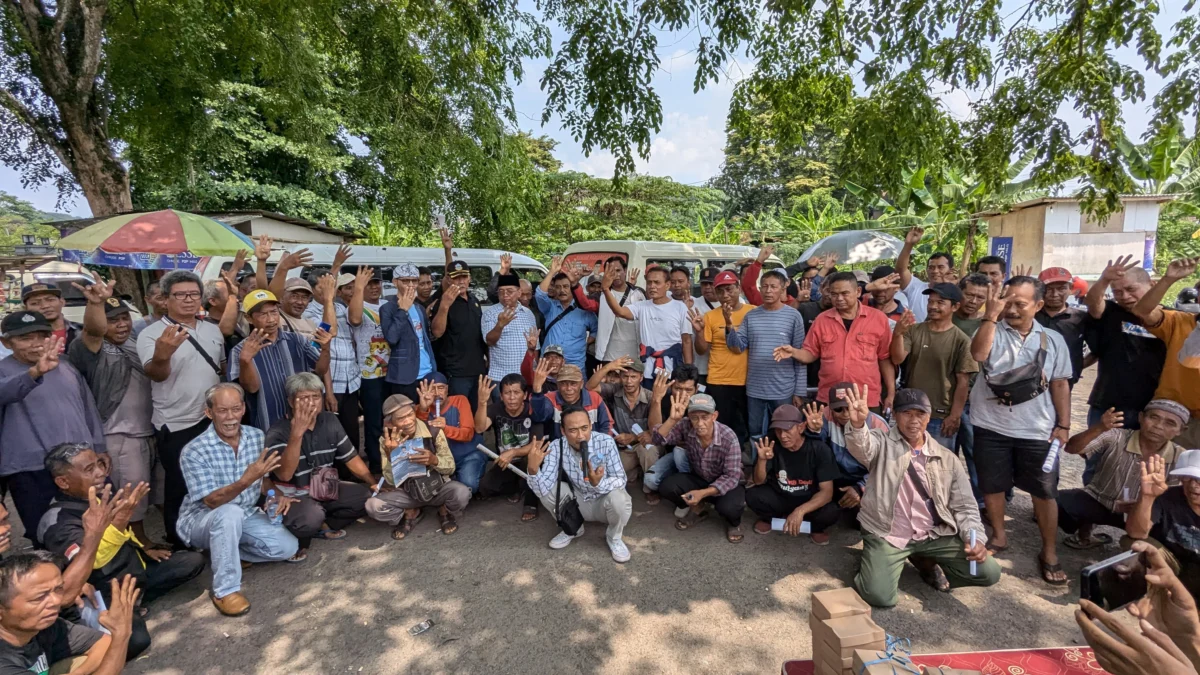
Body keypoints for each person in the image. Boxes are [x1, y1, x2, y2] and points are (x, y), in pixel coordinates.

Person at [38, 443, 206, 654]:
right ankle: (127, 607)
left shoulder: (98, 496)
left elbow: (125, 535)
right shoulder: (57, 522)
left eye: (99, 464)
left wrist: (144, 548)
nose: (101, 473)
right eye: (89, 470)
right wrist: (118, 522)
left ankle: (136, 599)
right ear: (63, 482)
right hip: (106, 590)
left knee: (192, 561)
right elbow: (91, 561)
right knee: (135, 642)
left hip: (133, 572)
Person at [842, 386, 1000, 607]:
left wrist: (975, 540)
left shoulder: (947, 458)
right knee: (879, 596)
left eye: (920, 414)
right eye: (907, 413)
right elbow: (863, 448)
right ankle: (875, 564)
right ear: (895, 416)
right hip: (888, 533)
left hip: (933, 534)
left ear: (929, 417)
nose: (914, 420)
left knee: (988, 572)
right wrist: (858, 425)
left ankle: (925, 561)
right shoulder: (882, 442)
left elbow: (965, 507)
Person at [969, 275, 1074, 585]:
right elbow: (978, 354)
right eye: (1007, 302)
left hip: (1037, 429)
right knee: (992, 485)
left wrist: (1064, 425)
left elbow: (1060, 383)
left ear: (1038, 305)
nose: (1012, 309)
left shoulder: (1052, 340)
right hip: (990, 424)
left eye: (1020, 304)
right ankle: (999, 536)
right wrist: (991, 315)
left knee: (1044, 490)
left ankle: (1050, 551)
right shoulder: (990, 330)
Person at [176, 383, 300, 616]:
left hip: (243, 514)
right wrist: (245, 480)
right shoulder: (194, 450)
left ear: (244, 408)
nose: (230, 417)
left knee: (287, 547)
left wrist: (275, 495)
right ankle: (225, 590)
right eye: (222, 411)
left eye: (236, 408)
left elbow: (262, 480)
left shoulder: (255, 436)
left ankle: (228, 551)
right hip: (201, 520)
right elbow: (212, 502)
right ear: (209, 413)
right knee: (228, 513)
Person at [0, 311, 105, 546]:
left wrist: (99, 448)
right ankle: (54, 579)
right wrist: (35, 373)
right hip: (31, 469)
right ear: (6, 342)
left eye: (42, 336)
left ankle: (102, 576)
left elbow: (88, 408)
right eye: (26, 338)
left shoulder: (66, 365)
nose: (36, 344)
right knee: (45, 530)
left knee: (95, 523)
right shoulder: (4, 369)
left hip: (80, 465)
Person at [138, 269, 226, 546]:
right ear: (165, 299)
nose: (188, 300)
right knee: (180, 485)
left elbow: (220, 368)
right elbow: (156, 374)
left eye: (194, 294)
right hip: (176, 423)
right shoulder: (152, 334)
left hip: (212, 419)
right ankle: (179, 541)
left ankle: (214, 534)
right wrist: (163, 355)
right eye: (180, 295)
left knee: (216, 479)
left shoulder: (212, 329)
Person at [66, 280, 156, 544]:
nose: (122, 324)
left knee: (151, 494)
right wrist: (95, 304)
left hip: (149, 430)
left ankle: (146, 541)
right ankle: (137, 547)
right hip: (120, 435)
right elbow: (93, 332)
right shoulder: (90, 347)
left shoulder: (135, 341)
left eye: (125, 317)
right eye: (112, 320)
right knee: (130, 496)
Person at [264, 373, 376, 560]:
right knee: (310, 517)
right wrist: (296, 434)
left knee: (364, 497)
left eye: (316, 397)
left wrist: (373, 484)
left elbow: (351, 458)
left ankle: (322, 524)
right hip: (293, 497)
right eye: (303, 398)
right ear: (291, 402)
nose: (311, 403)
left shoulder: (329, 420)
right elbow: (284, 475)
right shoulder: (277, 431)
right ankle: (309, 525)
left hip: (324, 488)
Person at [1058, 400, 1187, 552]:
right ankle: (1084, 533)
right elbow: (1071, 448)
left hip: (1144, 514)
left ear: (1180, 431)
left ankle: (1141, 556)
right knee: (1055, 503)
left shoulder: (1181, 457)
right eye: (1153, 417)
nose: (1158, 426)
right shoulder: (1117, 436)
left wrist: (1143, 505)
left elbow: (1179, 501)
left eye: (1170, 423)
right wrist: (1099, 428)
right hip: (1100, 501)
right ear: (1140, 417)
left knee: (1165, 534)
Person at [0, 552, 140, 675]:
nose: (56, 601)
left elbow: (104, 643)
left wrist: (79, 673)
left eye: (58, 589)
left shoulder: (46, 626)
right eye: (39, 597)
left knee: (92, 660)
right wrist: (121, 634)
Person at [526, 406, 633, 562]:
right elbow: (543, 489)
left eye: (584, 428)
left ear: (590, 425)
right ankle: (573, 528)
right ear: (563, 431)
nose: (581, 436)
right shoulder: (556, 446)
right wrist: (533, 469)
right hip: (578, 501)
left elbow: (620, 479)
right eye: (573, 430)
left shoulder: (606, 442)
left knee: (620, 499)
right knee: (549, 490)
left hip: (604, 502)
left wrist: (598, 483)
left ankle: (614, 538)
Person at [779, 271, 895, 413]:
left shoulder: (878, 319)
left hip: (865, 399)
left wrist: (891, 393)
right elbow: (811, 353)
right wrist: (793, 352)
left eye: (844, 293)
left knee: (866, 435)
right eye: (834, 294)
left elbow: (885, 358)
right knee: (827, 434)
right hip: (829, 397)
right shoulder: (822, 320)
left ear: (858, 292)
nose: (839, 298)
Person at [366, 394, 470, 540]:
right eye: (401, 418)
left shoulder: (432, 430)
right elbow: (390, 480)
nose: (408, 421)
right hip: (408, 493)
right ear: (389, 423)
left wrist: (434, 460)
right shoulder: (386, 440)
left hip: (436, 488)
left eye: (410, 414)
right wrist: (392, 457)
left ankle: (444, 509)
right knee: (373, 506)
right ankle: (411, 511)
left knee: (462, 493)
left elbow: (451, 467)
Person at [889, 283, 978, 450]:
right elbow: (897, 358)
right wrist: (898, 333)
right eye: (930, 301)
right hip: (909, 411)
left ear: (955, 306)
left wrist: (954, 416)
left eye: (940, 302)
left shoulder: (961, 340)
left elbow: (963, 383)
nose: (933, 306)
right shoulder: (913, 330)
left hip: (939, 416)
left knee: (937, 468)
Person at [724, 268, 808, 444]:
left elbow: (800, 356)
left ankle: (780, 469)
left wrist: (799, 391)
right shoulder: (751, 315)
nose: (768, 291)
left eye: (773, 286)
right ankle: (758, 468)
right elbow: (737, 347)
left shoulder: (794, 316)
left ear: (783, 288)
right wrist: (729, 325)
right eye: (764, 286)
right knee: (756, 433)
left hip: (783, 388)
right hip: (755, 388)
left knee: (785, 431)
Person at [229, 289, 332, 432]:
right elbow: (251, 388)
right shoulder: (240, 350)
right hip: (268, 423)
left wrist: (326, 349)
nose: (271, 319)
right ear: (249, 318)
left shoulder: (297, 340)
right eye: (263, 314)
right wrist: (245, 360)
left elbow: (320, 370)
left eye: (274, 312)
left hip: (303, 420)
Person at [1083, 255, 1164, 432]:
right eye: (1118, 292)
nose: (1125, 296)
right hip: (1109, 405)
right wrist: (1104, 280)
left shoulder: (1171, 319)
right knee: (1099, 456)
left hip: (1156, 409)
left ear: (1152, 285)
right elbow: (1093, 303)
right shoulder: (1112, 312)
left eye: (1131, 289)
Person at [652, 392, 746, 543]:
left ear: (714, 416)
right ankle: (699, 508)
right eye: (695, 417)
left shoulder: (729, 437)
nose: (700, 423)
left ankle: (733, 523)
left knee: (730, 507)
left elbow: (731, 477)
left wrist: (702, 493)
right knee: (667, 487)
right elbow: (657, 439)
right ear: (689, 417)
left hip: (726, 483)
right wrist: (672, 420)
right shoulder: (685, 425)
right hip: (700, 477)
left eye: (705, 417)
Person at [1132, 257, 1200, 450]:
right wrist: (1168, 279)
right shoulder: (1180, 321)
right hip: (1174, 419)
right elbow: (1142, 311)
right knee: (1162, 475)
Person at [746, 405, 841, 544]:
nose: (782, 436)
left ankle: (814, 528)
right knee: (753, 495)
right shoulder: (771, 444)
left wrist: (800, 511)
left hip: (809, 499)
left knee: (831, 511)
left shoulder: (819, 449)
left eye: (787, 430)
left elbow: (827, 492)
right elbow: (759, 481)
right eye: (778, 430)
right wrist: (762, 460)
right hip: (781, 496)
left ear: (801, 427)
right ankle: (772, 519)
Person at [306, 268, 372, 452]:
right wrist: (329, 392)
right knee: (330, 432)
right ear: (313, 289)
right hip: (331, 383)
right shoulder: (309, 312)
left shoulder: (341, 308)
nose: (330, 289)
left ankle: (351, 473)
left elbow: (356, 321)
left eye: (332, 285)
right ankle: (332, 475)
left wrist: (358, 289)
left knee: (350, 430)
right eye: (324, 286)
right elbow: (329, 332)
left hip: (350, 381)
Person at [476, 374, 554, 521]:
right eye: (507, 393)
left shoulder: (532, 410)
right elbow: (480, 428)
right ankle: (518, 486)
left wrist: (513, 452)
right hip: (506, 462)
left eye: (516, 392)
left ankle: (531, 502)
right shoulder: (495, 409)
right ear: (501, 396)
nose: (511, 397)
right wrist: (482, 403)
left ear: (525, 395)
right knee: (485, 487)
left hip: (526, 459)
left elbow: (536, 445)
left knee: (531, 460)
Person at [602, 266, 693, 385]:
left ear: (667, 285)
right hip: (647, 371)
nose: (652, 286)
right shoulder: (641, 306)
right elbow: (619, 312)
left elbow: (686, 341)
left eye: (657, 282)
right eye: (649, 282)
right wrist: (606, 289)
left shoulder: (680, 307)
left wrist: (689, 370)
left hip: (673, 369)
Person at [1127, 451, 1200, 599]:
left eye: (1199, 479)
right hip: (1170, 563)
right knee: (1136, 543)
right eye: (1187, 477)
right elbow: (1136, 533)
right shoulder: (1167, 497)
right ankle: (1153, 592)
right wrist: (1147, 497)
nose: (1193, 485)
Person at [693, 270, 753, 444]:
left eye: (729, 289)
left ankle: (744, 464)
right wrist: (698, 332)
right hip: (719, 380)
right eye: (720, 291)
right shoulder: (710, 316)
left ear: (739, 289)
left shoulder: (753, 312)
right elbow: (701, 350)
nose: (725, 295)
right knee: (722, 428)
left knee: (747, 428)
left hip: (747, 380)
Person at [811, 384, 884, 512]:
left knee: (866, 520)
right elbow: (815, 451)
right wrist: (814, 430)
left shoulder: (878, 424)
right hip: (834, 476)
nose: (845, 414)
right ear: (830, 408)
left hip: (864, 478)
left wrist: (860, 487)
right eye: (838, 409)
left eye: (849, 408)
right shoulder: (824, 416)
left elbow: (885, 466)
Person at [429, 259, 487, 411]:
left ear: (469, 278)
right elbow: (437, 331)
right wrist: (444, 306)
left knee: (476, 415)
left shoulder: (474, 301)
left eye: (464, 277)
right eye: (456, 277)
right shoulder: (443, 302)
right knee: (457, 415)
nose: (461, 281)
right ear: (448, 279)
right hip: (456, 374)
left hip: (478, 370)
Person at [587, 357, 656, 482]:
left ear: (641, 378)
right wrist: (608, 367)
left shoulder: (651, 397)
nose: (629, 381)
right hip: (626, 448)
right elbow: (589, 388)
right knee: (609, 472)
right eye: (625, 377)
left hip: (646, 444)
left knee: (646, 451)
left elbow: (657, 430)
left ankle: (650, 490)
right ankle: (638, 470)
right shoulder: (615, 390)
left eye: (633, 377)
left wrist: (634, 437)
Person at [415, 372, 486, 493]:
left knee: (468, 485)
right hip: (441, 461)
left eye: (441, 388)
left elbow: (468, 434)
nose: (437, 393)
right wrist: (423, 410)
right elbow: (419, 440)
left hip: (467, 456)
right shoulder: (420, 409)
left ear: (447, 389)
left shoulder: (460, 401)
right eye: (432, 389)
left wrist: (445, 428)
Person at [382, 263, 437, 407]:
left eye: (414, 280)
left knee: (427, 416)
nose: (411, 285)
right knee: (407, 418)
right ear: (395, 282)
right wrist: (403, 310)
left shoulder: (419, 307)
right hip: (404, 376)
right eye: (406, 280)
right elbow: (392, 338)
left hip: (427, 371)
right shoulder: (387, 308)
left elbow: (425, 339)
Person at [574, 256, 644, 365]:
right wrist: (575, 283)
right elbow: (585, 304)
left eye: (618, 270)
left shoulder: (639, 293)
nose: (615, 275)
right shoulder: (600, 296)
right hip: (608, 356)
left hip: (634, 356)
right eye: (611, 271)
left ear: (625, 271)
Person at [535, 261, 597, 372]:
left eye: (565, 286)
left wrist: (585, 343)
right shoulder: (549, 307)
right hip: (549, 365)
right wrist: (552, 271)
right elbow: (539, 294)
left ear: (572, 287)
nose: (562, 290)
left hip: (574, 365)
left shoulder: (584, 310)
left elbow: (596, 330)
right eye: (558, 287)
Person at [359, 270, 390, 477]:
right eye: (369, 283)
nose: (374, 287)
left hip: (391, 372)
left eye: (376, 282)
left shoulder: (387, 305)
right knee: (373, 421)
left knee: (391, 418)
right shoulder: (357, 307)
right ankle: (376, 464)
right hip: (369, 374)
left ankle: (392, 460)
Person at [1036, 267, 1089, 387]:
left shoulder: (1081, 318)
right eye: (1048, 289)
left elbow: (1097, 351)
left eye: (1061, 289)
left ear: (1070, 289)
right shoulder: (1029, 315)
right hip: (1028, 383)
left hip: (1064, 384)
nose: (1055, 294)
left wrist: (1075, 368)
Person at [483, 272, 538, 380]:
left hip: (525, 376)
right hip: (500, 377)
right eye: (501, 292)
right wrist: (500, 325)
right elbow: (489, 341)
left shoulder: (528, 313)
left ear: (519, 292)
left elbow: (535, 346)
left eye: (509, 291)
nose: (505, 295)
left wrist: (533, 371)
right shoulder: (490, 313)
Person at [895, 226, 955, 322]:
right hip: (915, 336)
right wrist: (909, 244)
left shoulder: (957, 293)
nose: (935, 271)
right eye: (931, 267)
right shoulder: (915, 287)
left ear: (951, 270)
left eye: (940, 267)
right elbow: (901, 270)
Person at [21, 282, 80, 351]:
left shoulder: (82, 331)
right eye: (35, 303)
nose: (45, 306)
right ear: (26, 309)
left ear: (62, 302)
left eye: (50, 300)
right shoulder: (21, 336)